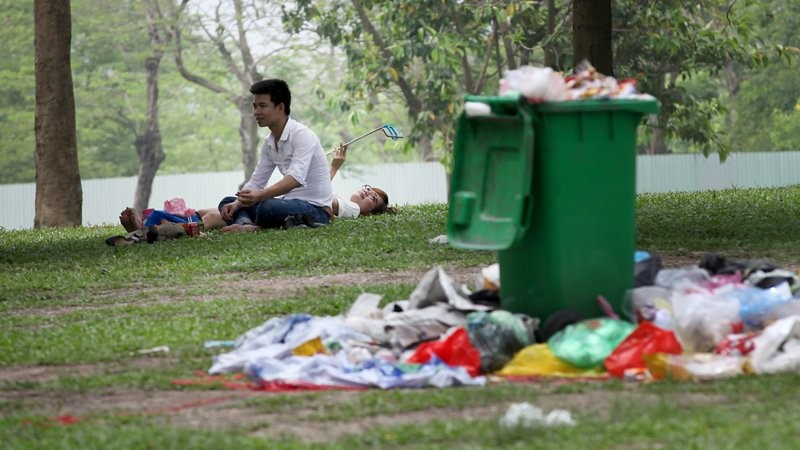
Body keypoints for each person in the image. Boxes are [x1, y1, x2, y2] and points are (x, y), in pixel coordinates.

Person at [218, 79, 333, 233]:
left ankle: (254, 227)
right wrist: (239, 203)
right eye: (255, 106)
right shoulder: (269, 143)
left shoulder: (302, 135)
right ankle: (246, 225)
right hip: (289, 205)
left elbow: (295, 179)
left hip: (316, 209)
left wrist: (261, 195)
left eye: (262, 106)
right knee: (227, 202)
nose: (256, 112)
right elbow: (257, 180)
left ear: (280, 108)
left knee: (268, 206)